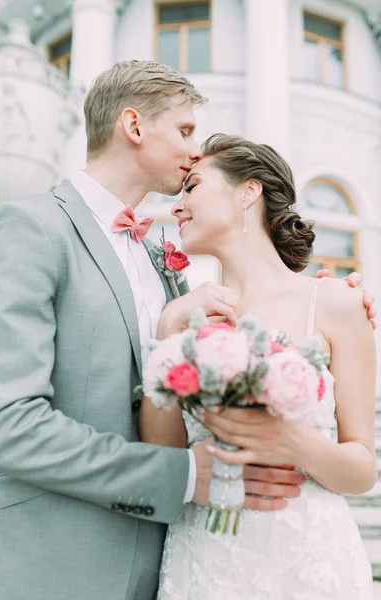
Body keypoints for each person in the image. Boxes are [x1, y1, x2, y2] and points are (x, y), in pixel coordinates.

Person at [0, 60, 374, 600]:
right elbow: (4, 423)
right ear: (135, 127)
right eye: (186, 132)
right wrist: (185, 477)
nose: (193, 151)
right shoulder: (29, 228)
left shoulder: (165, 268)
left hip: (184, 562)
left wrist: (330, 306)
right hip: (61, 565)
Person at [140, 133, 377, 599]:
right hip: (203, 558)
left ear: (248, 191)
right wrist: (168, 332)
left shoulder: (333, 302)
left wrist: (294, 441)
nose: (178, 204)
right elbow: (162, 453)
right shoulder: (185, 314)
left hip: (305, 561)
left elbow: (362, 470)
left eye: (192, 187)